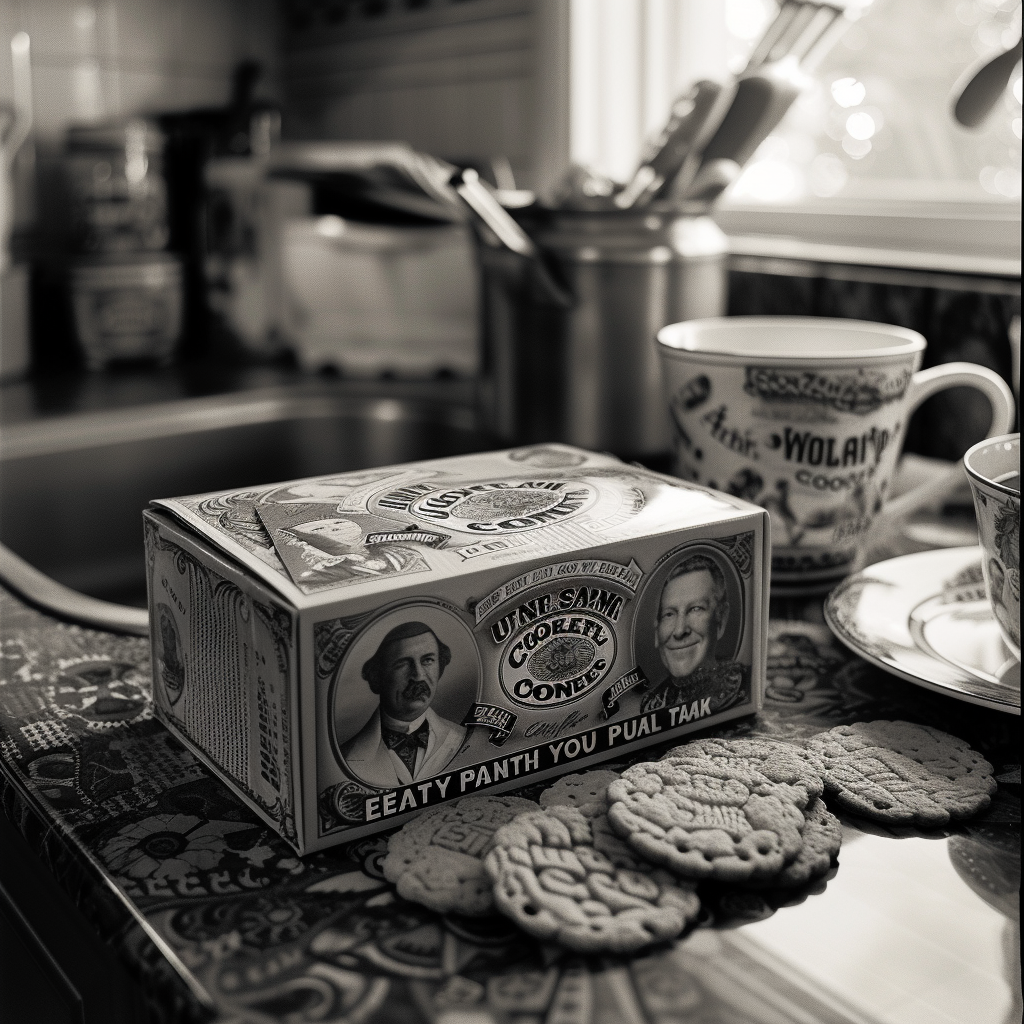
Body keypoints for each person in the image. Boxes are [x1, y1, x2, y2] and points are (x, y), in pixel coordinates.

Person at [339, 621, 467, 788]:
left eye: (427, 660)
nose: (418, 676)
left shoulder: (462, 737)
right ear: (378, 677)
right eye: (403, 664)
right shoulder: (347, 757)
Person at [638, 553, 747, 715]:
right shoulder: (650, 705)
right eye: (669, 614)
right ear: (656, 631)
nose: (680, 630)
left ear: (721, 619)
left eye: (695, 609)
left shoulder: (745, 685)